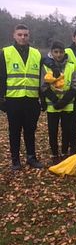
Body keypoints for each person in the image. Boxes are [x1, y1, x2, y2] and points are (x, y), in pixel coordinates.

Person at [0, 24, 44, 170]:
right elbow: (1, 77)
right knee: (14, 131)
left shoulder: (36, 53)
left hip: (31, 99)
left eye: (25, 35)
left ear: (29, 36)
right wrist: (1, 98)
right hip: (13, 99)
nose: (23, 37)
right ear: (14, 35)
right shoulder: (5, 53)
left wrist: (42, 99)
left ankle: (31, 157)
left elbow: (40, 77)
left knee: (30, 130)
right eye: (20, 34)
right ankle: (15, 160)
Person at [41, 41, 76, 163]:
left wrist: (64, 101)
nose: (58, 54)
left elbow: (74, 86)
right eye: (56, 52)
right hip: (53, 105)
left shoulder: (71, 66)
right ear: (52, 52)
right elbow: (43, 86)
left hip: (67, 104)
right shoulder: (46, 66)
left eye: (61, 52)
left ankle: (64, 152)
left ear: (64, 52)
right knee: (53, 130)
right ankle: (54, 154)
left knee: (66, 130)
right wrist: (55, 100)